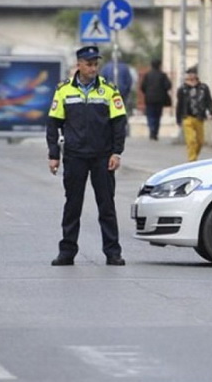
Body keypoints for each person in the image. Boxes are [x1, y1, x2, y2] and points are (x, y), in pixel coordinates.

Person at [45, 45, 127, 266]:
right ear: (78, 65)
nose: (93, 68)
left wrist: (116, 152)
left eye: (95, 64)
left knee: (106, 206)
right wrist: (54, 155)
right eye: (89, 64)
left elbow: (119, 123)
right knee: (72, 205)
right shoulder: (64, 90)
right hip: (75, 156)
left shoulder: (109, 90)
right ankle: (67, 251)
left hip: (102, 156)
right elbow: (53, 124)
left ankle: (113, 252)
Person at [176, 68, 212, 161]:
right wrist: (178, 118)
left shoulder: (203, 88)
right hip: (187, 117)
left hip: (199, 117)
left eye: (192, 75)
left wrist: (210, 111)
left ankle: (194, 157)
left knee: (200, 141)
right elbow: (179, 104)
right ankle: (192, 160)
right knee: (191, 140)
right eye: (189, 75)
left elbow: (209, 101)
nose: (191, 77)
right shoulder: (183, 89)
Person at [140, 59, 171, 141]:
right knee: (157, 116)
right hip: (160, 99)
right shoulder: (162, 75)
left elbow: (142, 87)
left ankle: (152, 130)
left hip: (149, 99)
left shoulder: (148, 75)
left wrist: (147, 92)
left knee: (150, 115)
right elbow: (168, 86)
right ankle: (155, 132)